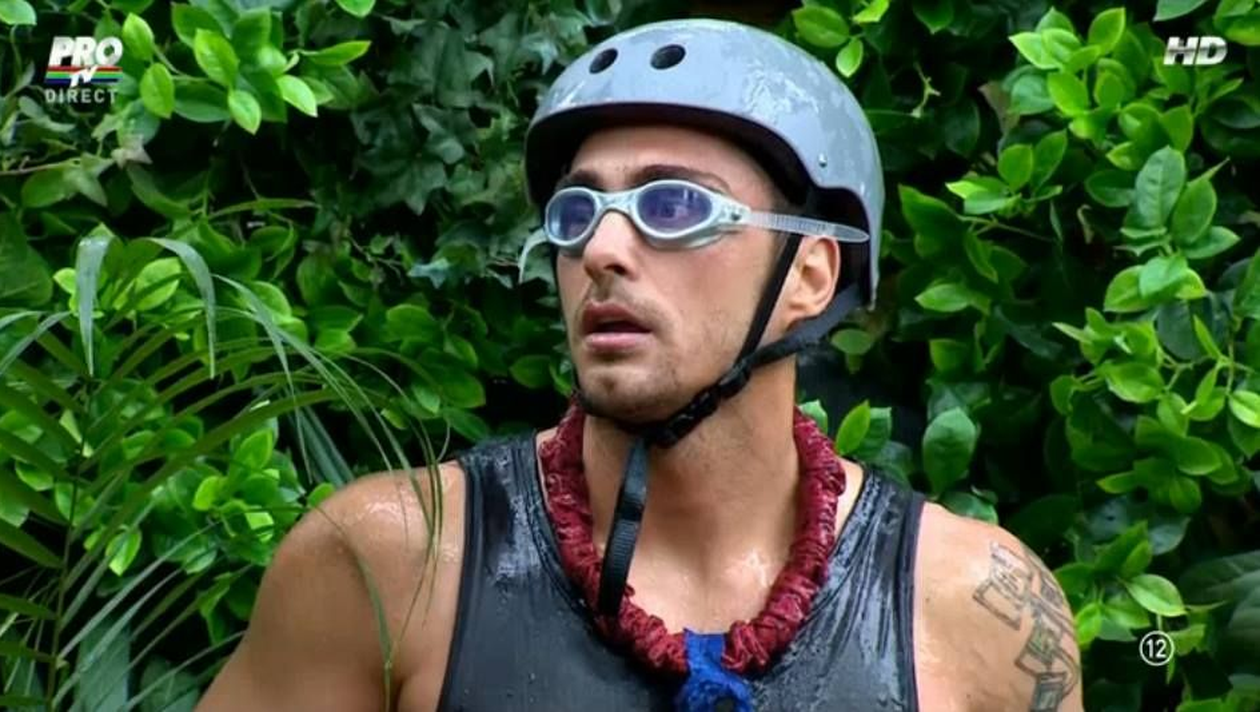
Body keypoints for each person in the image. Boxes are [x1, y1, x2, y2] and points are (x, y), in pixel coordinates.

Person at [197, 18, 1083, 712]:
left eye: (675, 206)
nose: (603, 248)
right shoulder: (392, 564)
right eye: (577, 211)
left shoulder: (980, 609)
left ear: (810, 274)